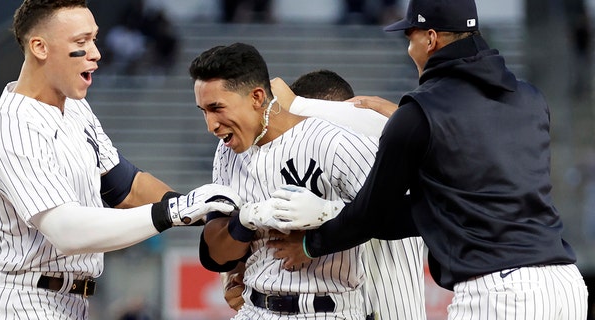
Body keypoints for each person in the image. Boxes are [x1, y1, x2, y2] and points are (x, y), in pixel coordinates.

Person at [266, 0, 590, 319]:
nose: (409, 49)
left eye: (411, 37)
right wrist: (405, 121)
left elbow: (371, 214)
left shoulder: (419, 113)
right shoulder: (530, 98)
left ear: (431, 39)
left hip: (500, 294)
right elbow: (451, 191)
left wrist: (311, 243)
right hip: (566, 284)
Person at [0, 1, 240, 319]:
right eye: (81, 42)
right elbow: (66, 230)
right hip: (20, 300)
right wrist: (175, 212)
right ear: (40, 47)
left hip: (66, 300)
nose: (95, 52)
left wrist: (205, 210)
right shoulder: (12, 124)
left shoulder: (75, 108)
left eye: (94, 39)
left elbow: (125, 187)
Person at [191, 43, 381, 319]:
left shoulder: (332, 142)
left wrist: (325, 223)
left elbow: (389, 212)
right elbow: (216, 253)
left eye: (216, 108)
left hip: (327, 309)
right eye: (203, 111)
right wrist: (245, 221)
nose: (210, 125)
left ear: (257, 97)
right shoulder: (226, 152)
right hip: (255, 308)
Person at [220, 69, 426, 320]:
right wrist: (232, 273)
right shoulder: (299, 164)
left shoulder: (376, 133)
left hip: (390, 306)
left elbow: (367, 121)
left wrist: (295, 104)